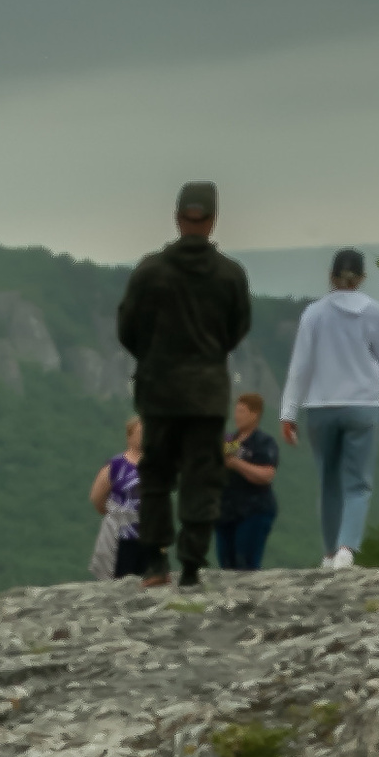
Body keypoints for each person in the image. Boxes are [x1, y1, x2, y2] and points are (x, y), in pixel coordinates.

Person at [115, 181, 252, 588]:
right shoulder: (230, 275)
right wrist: (208, 356)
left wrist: (154, 356)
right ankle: (192, 565)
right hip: (207, 392)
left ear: (178, 218)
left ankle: (155, 562)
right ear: (212, 220)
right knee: (202, 475)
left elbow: (127, 329)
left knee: (156, 474)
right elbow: (237, 329)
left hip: (159, 390)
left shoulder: (150, 271)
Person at [280, 250, 379, 568]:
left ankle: (329, 551)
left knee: (329, 479)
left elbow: (300, 366)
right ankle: (347, 547)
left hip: (321, 405)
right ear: (361, 278)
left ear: (331, 277)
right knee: (358, 481)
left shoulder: (314, 314)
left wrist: (288, 412)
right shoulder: (374, 312)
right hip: (362, 404)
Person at [214, 391, 280, 570]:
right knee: (226, 564)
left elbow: (266, 475)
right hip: (226, 510)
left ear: (255, 414)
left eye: (242, 411)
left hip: (254, 510)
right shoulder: (230, 441)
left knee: (246, 564)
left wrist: (237, 464)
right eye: (236, 411)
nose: (237, 416)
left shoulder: (264, 442)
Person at [90, 415, 146, 577]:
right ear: (129, 436)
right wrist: (112, 512)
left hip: (149, 532)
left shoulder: (154, 465)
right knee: (121, 576)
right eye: (141, 432)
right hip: (122, 533)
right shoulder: (116, 465)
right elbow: (97, 497)